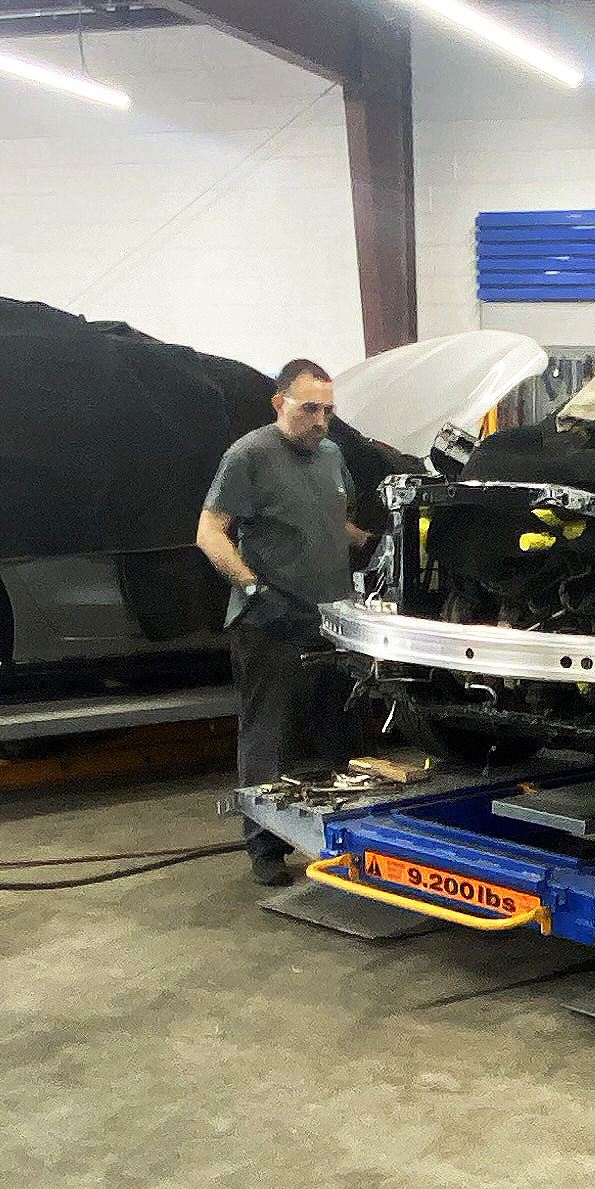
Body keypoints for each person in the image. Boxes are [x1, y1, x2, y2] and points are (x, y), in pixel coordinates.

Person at [199, 359, 370, 885]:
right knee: (268, 736)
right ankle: (265, 847)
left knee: (339, 734)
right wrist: (254, 590)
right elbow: (209, 533)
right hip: (268, 622)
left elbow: (333, 523)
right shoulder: (248, 455)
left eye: (328, 411)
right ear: (279, 404)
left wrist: (378, 543)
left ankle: (345, 841)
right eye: (309, 409)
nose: (320, 421)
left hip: (330, 621)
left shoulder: (332, 455)